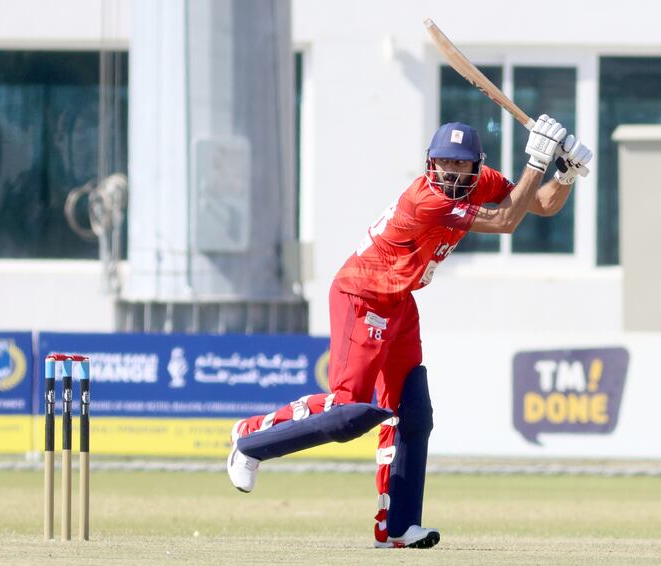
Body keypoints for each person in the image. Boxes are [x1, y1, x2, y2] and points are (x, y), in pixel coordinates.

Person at [227, 114, 593, 549]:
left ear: (477, 167)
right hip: (362, 294)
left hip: (400, 302)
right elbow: (505, 223)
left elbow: (540, 204)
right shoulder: (425, 200)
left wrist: (565, 173)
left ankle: (397, 526)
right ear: (430, 164)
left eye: (461, 166)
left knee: (413, 413)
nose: (452, 174)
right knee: (348, 411)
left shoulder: (483, 182)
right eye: (444, 164)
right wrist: (537, 157)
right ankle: (251, 438)